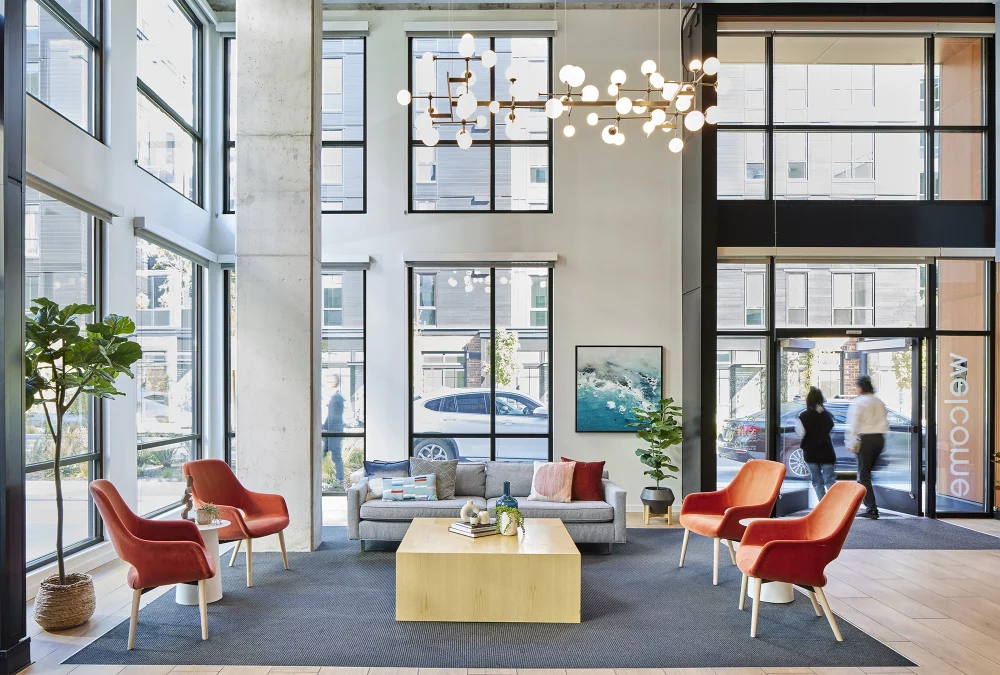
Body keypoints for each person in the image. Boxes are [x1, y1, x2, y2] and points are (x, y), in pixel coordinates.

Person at [846, 375, 889, 519]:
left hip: (865, 440)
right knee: (867, 474)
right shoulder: (879, 401)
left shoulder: (859, 402)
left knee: (863, 475)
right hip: (879, 439)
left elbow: (854, 425)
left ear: (861, 387)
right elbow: (885, 420)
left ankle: (871, 508)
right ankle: (870, 503)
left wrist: (851, 443)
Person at [794, 386, 837, 502]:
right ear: (820, 400)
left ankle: (823, 506)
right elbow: (830, 425)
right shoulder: (825, 415)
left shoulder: (803, 416)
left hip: (810, 452)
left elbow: (801, 433)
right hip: (826, 452)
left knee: (817, 481)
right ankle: (833, 506)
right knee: (830, 481)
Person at [324, 374, 346, 485]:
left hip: (334, 432)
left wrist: (325, 427)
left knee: (336, 456)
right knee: (328, 454)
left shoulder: (337, 398)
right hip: (331, 431)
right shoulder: (336, 398)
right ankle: (339, 480)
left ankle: (340, 480)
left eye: (328, 382)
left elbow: (334, 417)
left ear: (334, 383)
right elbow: (331, 416)